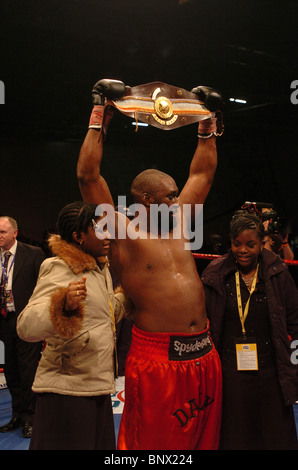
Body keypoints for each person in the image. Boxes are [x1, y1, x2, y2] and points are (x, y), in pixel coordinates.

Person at [76, 79, 223, 450]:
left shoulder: (180, 222)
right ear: (146, 200)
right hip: (158, 357)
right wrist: (100, 114)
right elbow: (88, 177)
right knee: (154, 447)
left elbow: (202, 174)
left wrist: (208, 125)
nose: (178, 203)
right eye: (170, 197)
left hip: (203, 351)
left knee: (202, 442)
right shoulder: (123, 231)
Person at [17, 202, 126, 450]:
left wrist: (129, 295)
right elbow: (25, 327)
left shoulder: (100, 268)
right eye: (98, 228)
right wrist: (62, 306)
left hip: (94, 385)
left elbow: (103, 317)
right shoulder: (59, 267)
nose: (107, 234)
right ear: (78, 236)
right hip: (66, 392)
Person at [201, 211, 298, 450]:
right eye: (237, 244)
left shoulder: (278, 272)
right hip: (229, 371)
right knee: (234, 437)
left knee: (273, 436)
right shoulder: (214, 275)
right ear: (230, 243)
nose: (243, 250)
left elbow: (295, 321)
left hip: (271, 370)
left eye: (251, 244)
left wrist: (293, 366)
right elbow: (204, 321)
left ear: (261, 244)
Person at [0, 216, 44, 438]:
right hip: (2, 322)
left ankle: (30, 418)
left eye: (2, 232)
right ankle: (17, 415)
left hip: (27, 321)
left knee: (28, 371)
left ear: (14, 233)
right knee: (10, 369)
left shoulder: (33, 254)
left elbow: (43, 288)